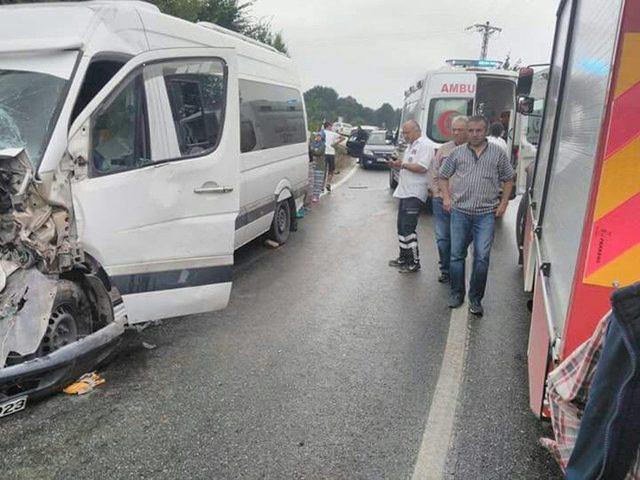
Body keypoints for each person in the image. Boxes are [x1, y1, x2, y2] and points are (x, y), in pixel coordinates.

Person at [439, 115, 514, 315]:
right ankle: (456, 294)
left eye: (478, 130)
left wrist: (504, 203)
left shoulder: (498, 154)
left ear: (485, 130)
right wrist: (446, 198)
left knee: (482, 258)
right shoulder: (457, 153)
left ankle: (476, 299)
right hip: (460, 213)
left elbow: (508, 179)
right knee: (456, 256)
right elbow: (443, 176)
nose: (474, 134)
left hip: (485, 215)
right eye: (470, 130)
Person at [387, 120, 434, 273]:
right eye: (403, 133)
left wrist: (403, 165)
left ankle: (414, 261)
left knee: (408, 228)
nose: (405, 136)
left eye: (407, 132)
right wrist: (397, 164)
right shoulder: (411, 146)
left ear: (416, 130)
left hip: (415, 192)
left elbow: (422, 167)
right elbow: (407, 165)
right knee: (401, 226)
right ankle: (403, 257)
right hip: (404, 191)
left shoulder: (425, 145)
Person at [429, 116, 468, 283]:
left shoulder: (473, 150)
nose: (456, 133)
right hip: (441, 201)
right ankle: (445, 270)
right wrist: (437, 192)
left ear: (468, 131)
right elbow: (433, 172)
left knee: (460, 240)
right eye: (454, 129)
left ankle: (457, 270)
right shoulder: (444, 149)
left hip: (463, 204)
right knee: (443, 238)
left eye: (460, 129)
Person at [309, 132, 326, 204]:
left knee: (318, 181)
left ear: (322, 137)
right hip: (313, 165)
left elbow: (318, 152)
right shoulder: (313, 143)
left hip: (319, 166)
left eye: (319, 136)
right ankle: (312, 195)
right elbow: (311, 149)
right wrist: (313, 149)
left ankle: (316, 196)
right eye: (317, 136)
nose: (318, 137)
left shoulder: (323, 145)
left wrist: (313, 149)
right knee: (312, 181)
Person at [322, 121, 340, 192]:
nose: (332, 127)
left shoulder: (321, 133)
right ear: (329, 126)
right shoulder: (333, 133)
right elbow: (342, 138)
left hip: (323, 153)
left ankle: (322, 186)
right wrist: (335, 143)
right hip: (331, 154)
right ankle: (328, 183)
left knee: (323, 170)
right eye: (331, 126)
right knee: (331, 170)